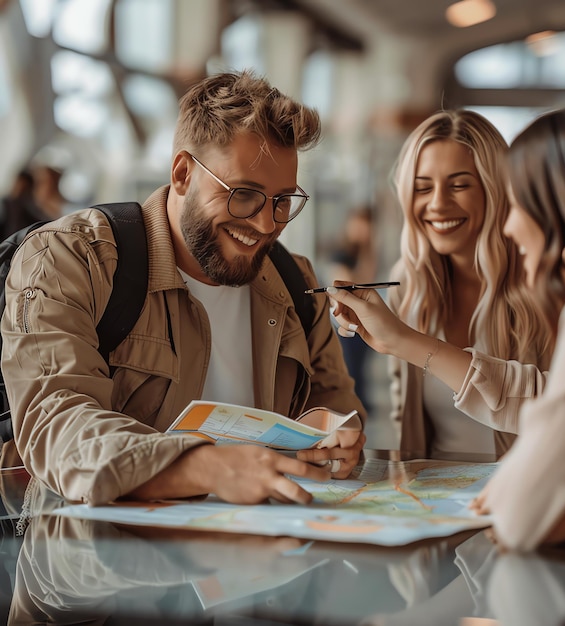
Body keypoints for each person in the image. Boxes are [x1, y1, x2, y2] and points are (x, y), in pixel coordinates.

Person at [0, 70, 366, 507]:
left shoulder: (297, 282)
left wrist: (334, 435)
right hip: (101, 562)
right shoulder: (70, 258)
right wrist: (209, 467)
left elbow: (338, 407)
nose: (267, 224)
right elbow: (56, 426)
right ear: (182, 173)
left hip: (265, 562)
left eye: (283, 201)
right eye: (244, 194)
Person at [327, 110, 552, 457]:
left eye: (459, 185)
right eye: (422, 188)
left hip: (526, 500)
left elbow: (560, 409)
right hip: (440, 502)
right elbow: (409, 426)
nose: (437, 204)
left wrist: (403, 341)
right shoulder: (407, 281)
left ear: (496, 190)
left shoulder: (544, 282)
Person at [469, 102, 565, 551]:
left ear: (564, 211)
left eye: (517, 203)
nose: (508, 225)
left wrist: (533, 495)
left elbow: (519, 518)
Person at [327, 206, 378, 412]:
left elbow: (369, 281)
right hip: (344, 317)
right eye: (359, 223)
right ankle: (352, 405)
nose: (362, 229)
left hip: (364, 318)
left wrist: (368, 250)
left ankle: (361, 402)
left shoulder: (366, 253)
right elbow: (347, 285)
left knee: (361, 364)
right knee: (350, 364)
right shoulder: (342, 253)